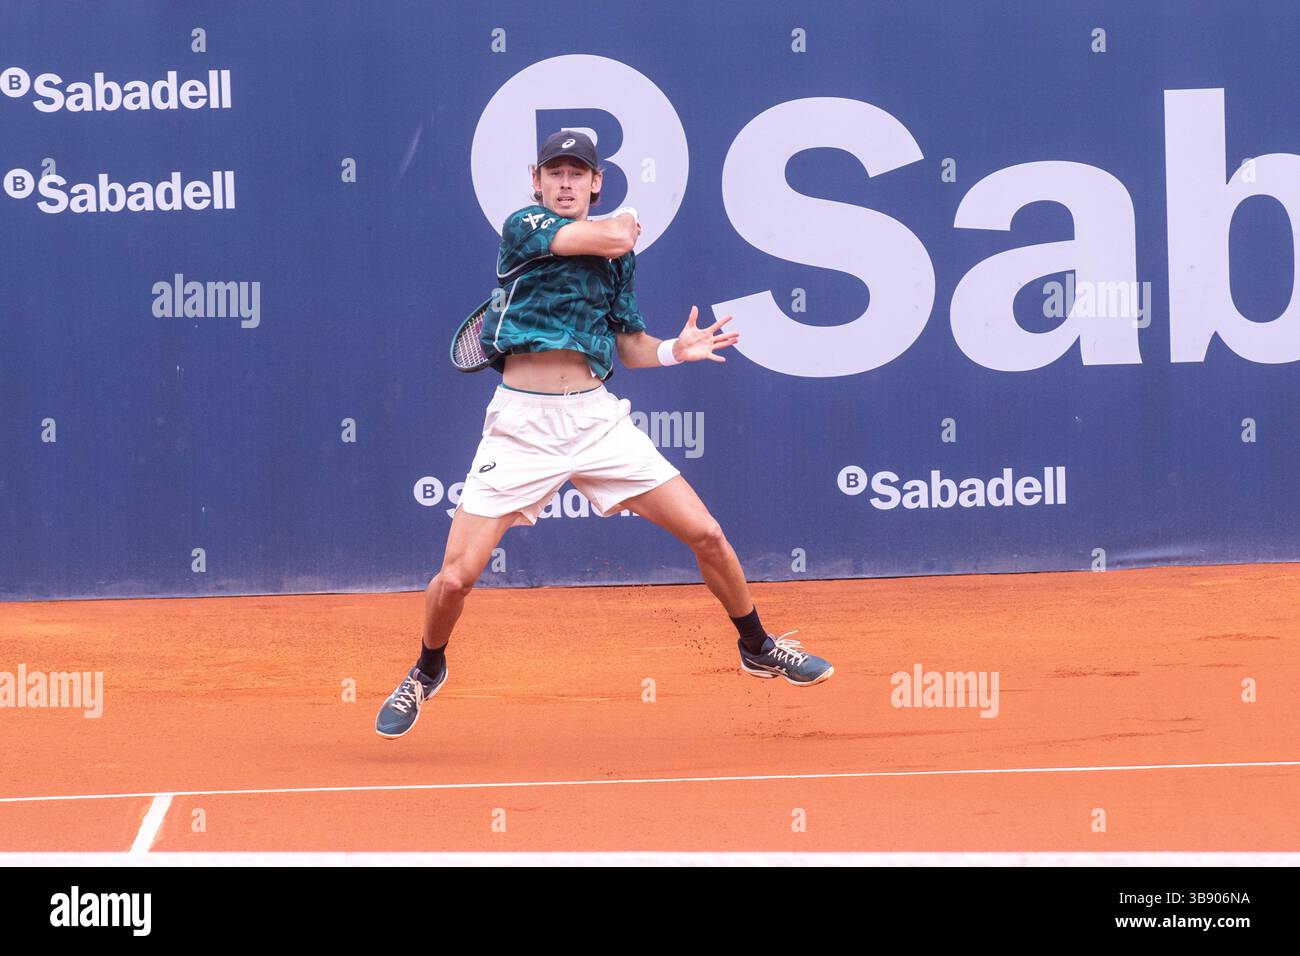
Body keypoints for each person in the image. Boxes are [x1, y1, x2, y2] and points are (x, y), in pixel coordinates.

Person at [376, 130, 833, 738]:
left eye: (577, 174)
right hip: (521, 426)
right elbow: (617, 234)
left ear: (595, 181)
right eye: (555, 173)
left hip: (596, 419)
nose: (565, 183)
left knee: (706, 533)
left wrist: (674, 350)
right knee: (456, 577)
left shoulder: (619, 257)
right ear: (537, 181)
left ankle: (757, 644)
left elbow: (630, 345)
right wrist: (630, 216)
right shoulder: (525, 226)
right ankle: (427, 669)